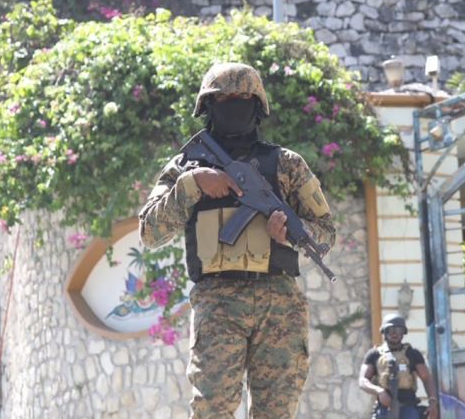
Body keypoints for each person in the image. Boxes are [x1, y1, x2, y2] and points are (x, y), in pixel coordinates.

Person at [139, 62, 336, 418]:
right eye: (224, 98)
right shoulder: (185, 165)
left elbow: (326, 231)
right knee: (211, 410)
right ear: (208, 107)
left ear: (257, 104)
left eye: (243, 97)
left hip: (279, 304)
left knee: (276, 412)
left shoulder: (286, 165)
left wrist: (293, 236)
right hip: (217, 303)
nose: (234, 103)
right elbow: (150, 233)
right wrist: (192, 184)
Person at [359, 313, 439, 419]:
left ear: (403, 333)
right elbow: (363, 381)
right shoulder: (374, 354)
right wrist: (380, 391)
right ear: (384, 331)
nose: (395, 334)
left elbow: (427, 378)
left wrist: (432, 402)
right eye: (390, 330)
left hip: (408, 408)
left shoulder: (412, 354)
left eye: (398, 330)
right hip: (385, 408)